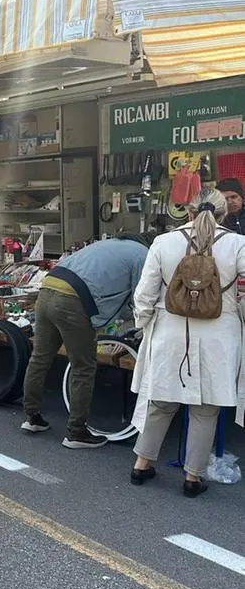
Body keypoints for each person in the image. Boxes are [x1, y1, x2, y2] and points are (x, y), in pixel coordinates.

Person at [130, 189, 245, 498]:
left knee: (160, 401)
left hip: (169, 332)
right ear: (224, 214)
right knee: (205, 409)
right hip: (219, 336)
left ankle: (141, 464)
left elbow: (144, 295)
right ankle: (192, 478)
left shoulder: (163, 243)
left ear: (189, 211)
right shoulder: (239, 245)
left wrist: (144, 325)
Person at [21, 232, 155, 448]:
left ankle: (32, 417)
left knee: (40, 358)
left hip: (47, 288)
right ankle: (76, 432)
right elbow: (140, 297)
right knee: (83, 366)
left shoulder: (108, 243)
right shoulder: (143, 254)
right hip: (73, 301)